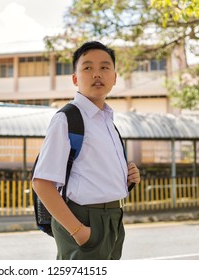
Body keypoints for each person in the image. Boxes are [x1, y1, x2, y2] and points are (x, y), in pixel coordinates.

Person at [32, 41, 141, 260]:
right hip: (84, 219)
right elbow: (41, 183)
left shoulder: (108, 122)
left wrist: (128, 177)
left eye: (104, 67)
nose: (97, 74)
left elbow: (93, 172)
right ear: (75, 78)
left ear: (114, 77)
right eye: (88, 68)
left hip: (114, 219)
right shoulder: (67, 119)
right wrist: (79, 232)